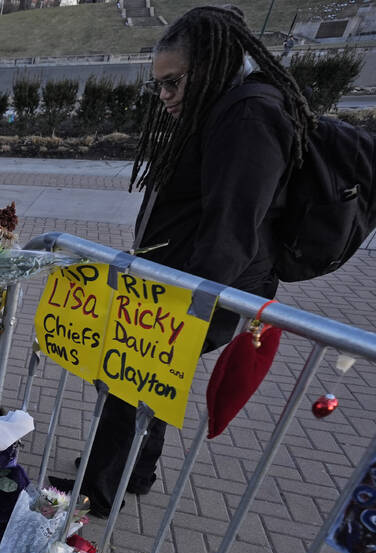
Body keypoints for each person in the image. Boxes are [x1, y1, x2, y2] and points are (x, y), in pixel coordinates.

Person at [49, 6, 314, 517]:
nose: (165, 97)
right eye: (159, 86)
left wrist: (182, 302)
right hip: (183, 280)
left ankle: (100, 489)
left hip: (205, 287)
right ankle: (135, 470)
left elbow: (232, 226)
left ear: (212, 67)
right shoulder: (225, 109)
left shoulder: (249, 115)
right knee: (148, 374)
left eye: (173, 83)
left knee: (132, 372)